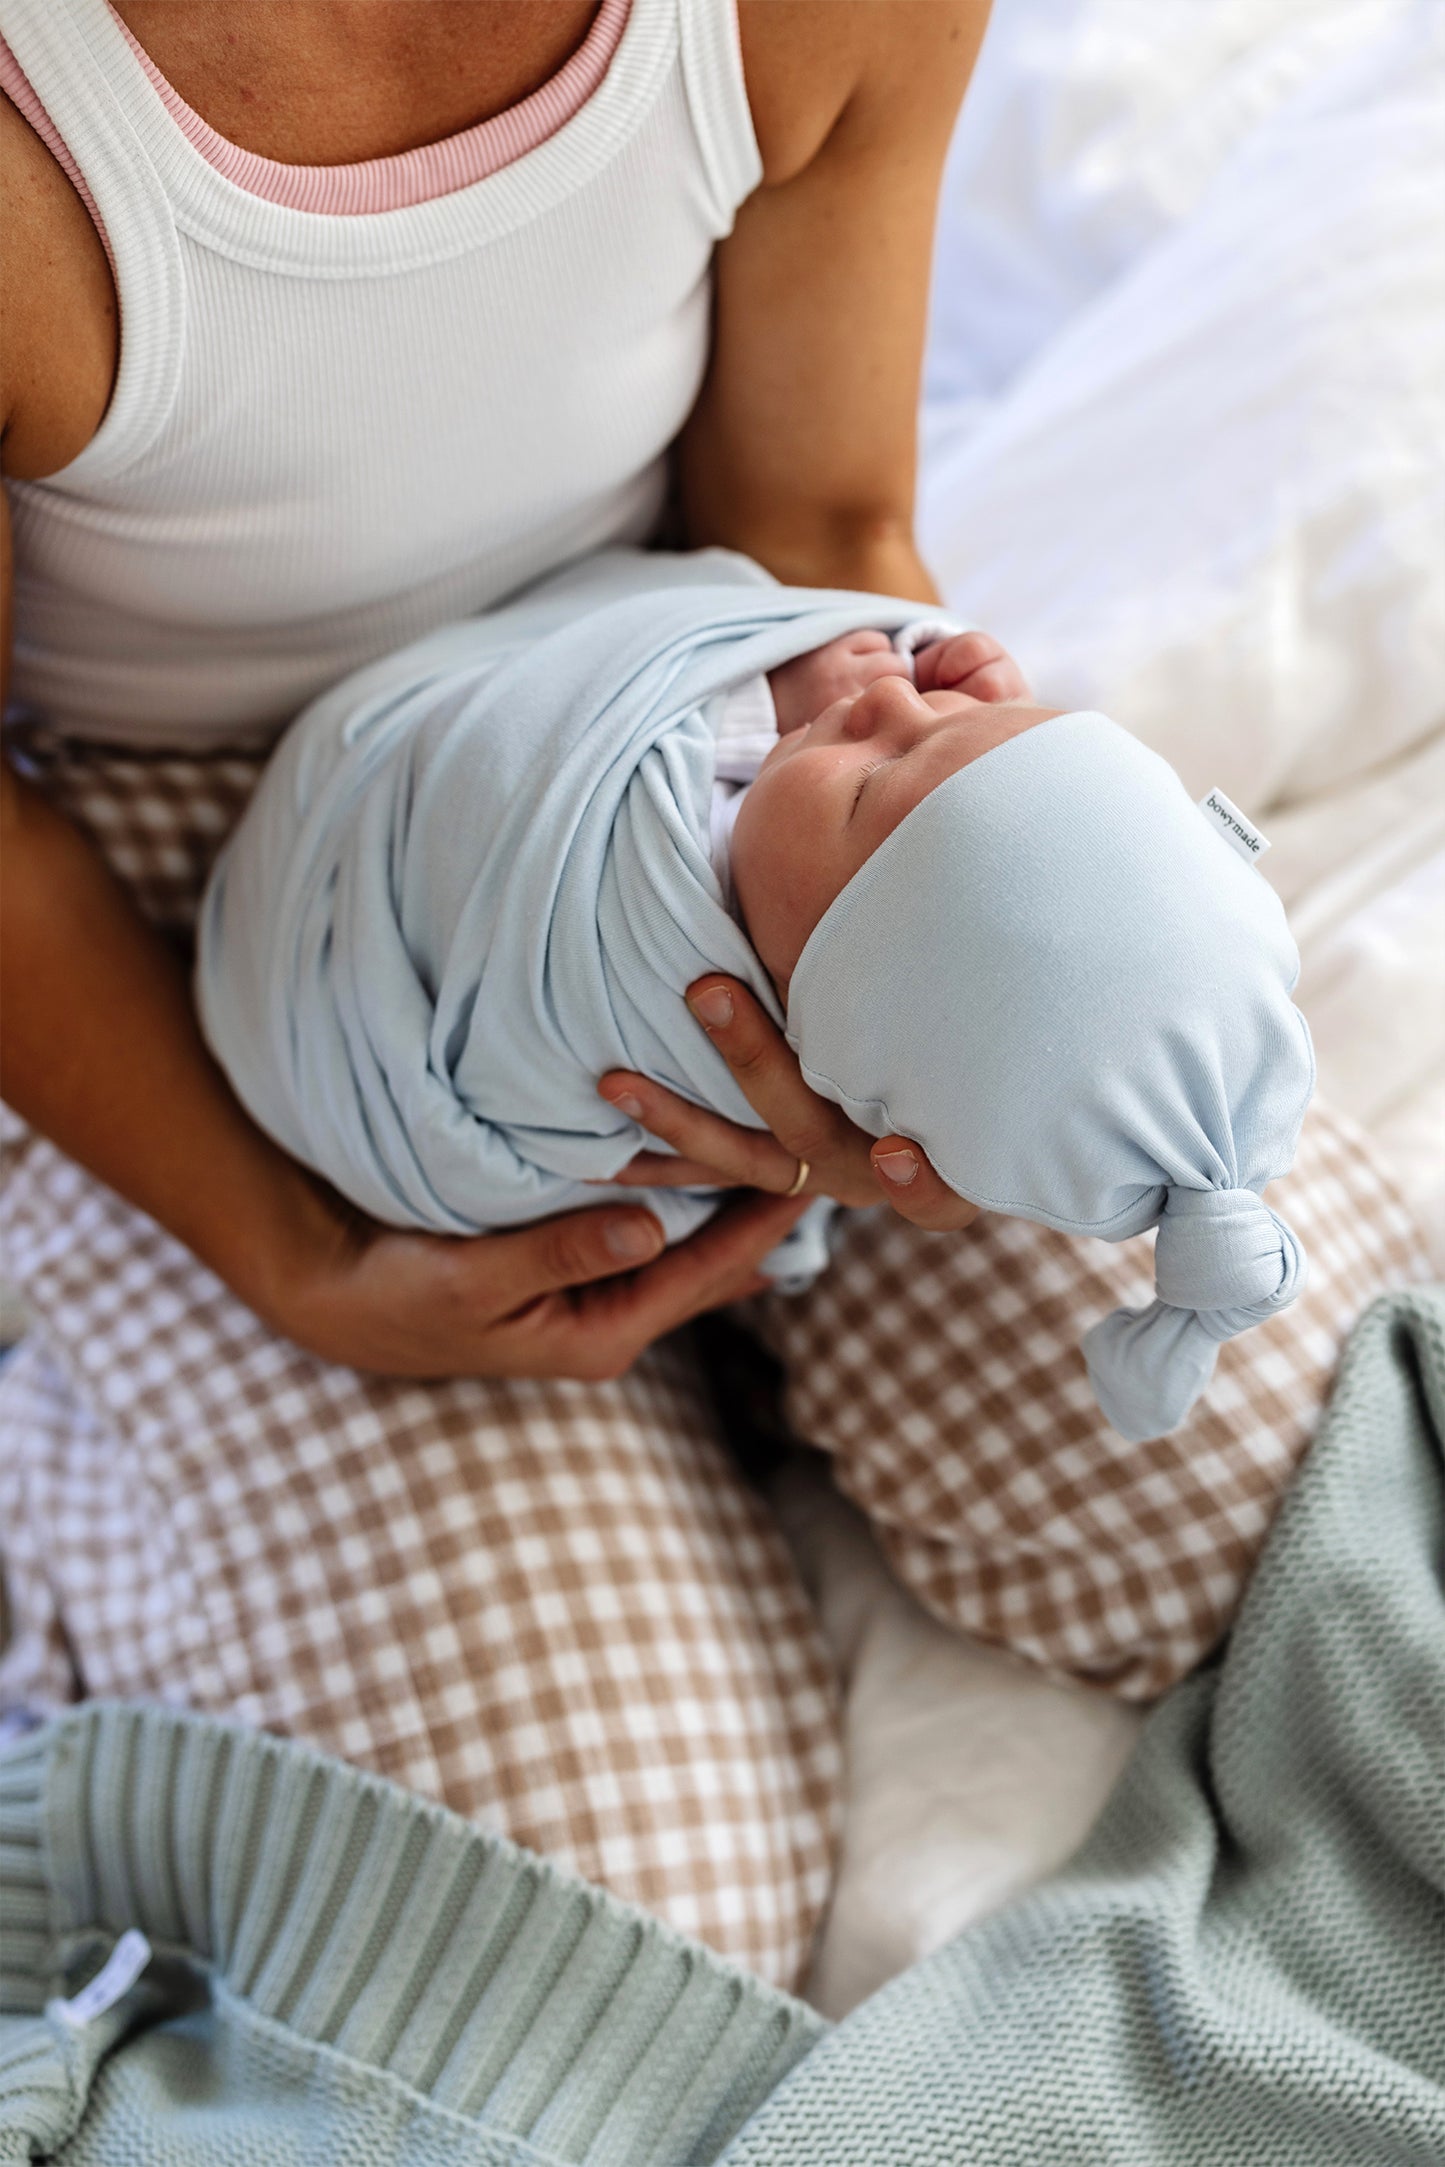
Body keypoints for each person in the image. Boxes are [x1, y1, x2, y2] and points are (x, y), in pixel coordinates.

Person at [0, 0, 1422, 1995]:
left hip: (695, 682)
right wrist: (295, 1252)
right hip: (169, 883)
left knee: (1289, 1491)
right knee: (583, 1909)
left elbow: (821, 523)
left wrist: (920, 966)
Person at [198, 545, 1313, 1449]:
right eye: (956, 722)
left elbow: (539, 832)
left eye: (872, 782)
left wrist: (760, 710)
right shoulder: (843, 894)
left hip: (349, 1002)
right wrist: (880, 677)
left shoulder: (634, 946)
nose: (885, 693)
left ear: (820, 1013)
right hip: (334, 833)